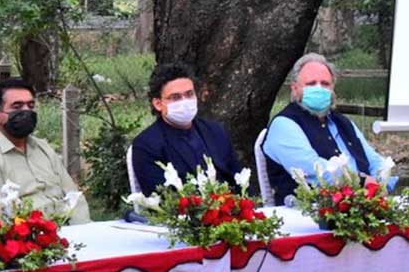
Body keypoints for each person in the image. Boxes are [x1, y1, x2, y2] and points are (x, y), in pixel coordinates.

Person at [263, 53, 391, 204]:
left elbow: (374, 160)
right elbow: (315, 170)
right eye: (311, 84)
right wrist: (363, 182)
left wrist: (384, 182)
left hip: (366, 204)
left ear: (333, 89)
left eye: (325, 84)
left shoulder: (343, 122)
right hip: (311, 214)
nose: (319, 88)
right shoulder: (284, 124)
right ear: (295, 88)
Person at [0, 77, 91, 223]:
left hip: (73, 234)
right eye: (17, 107)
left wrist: (84, 231)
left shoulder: (43, 148)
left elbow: (74, 198)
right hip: (30, 240)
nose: (26, 111)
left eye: (30, 105)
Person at [131, 62, 242, 195]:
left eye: (189, 94)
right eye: (175, 97)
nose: (184, 101)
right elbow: (161, 198)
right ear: (158, 104)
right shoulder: (147, 144)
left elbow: (238, 178)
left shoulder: (214, 131)